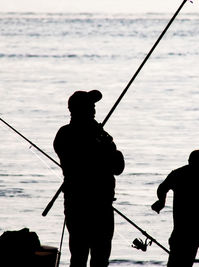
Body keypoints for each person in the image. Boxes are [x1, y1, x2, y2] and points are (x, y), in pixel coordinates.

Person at [53, 90, 125, 267]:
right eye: (90, 106)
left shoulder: (96, 135)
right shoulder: (69, 135)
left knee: (92, 257)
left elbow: (118, 167)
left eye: (93, 106)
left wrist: (103, 141)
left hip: (91, 203)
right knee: (83, 256)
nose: (94, 110)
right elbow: (115, 166)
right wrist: (103, 144)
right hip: (87, 204)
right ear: (78, 110)